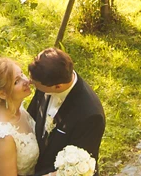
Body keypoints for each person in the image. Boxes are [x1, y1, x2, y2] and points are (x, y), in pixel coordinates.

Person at [27, 47, 105, 176]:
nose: (30, 83)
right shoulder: (45, 80)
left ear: (58, 86)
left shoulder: (90, 115)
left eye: (35, 83)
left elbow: (79, 165)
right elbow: (30, 119)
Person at [0, 56, 40, 176]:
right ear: (2, 94)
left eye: (22, 74)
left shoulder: (12, 106)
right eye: (16, 82)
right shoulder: (4, 137)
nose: (26, 81)